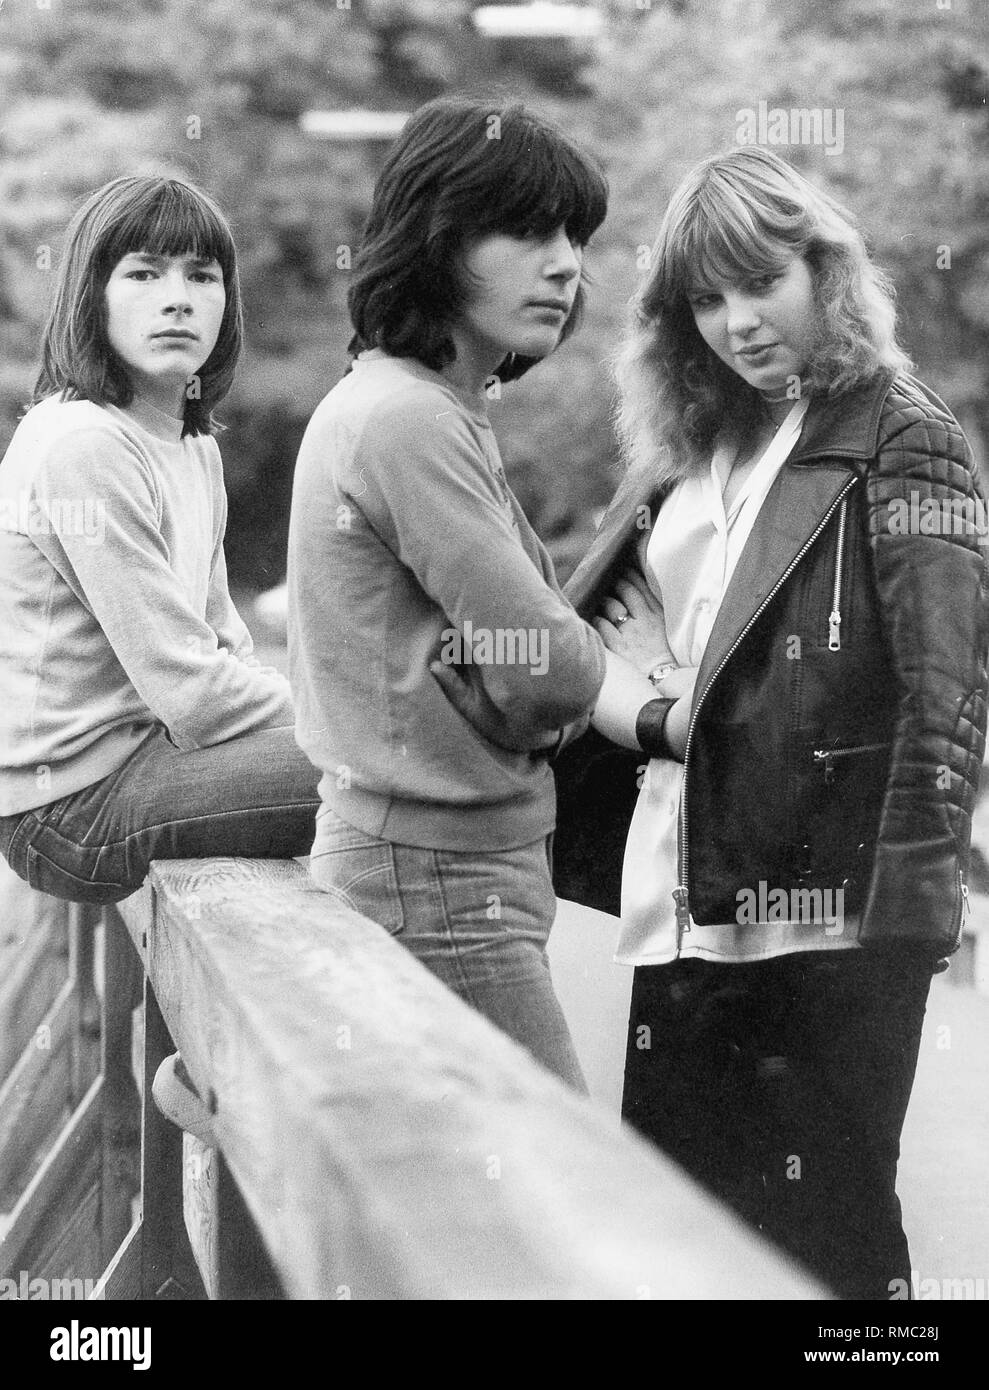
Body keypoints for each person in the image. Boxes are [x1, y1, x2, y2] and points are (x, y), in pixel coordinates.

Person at [548, 146, 989, 1299]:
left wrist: (908, 909)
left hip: (829, 921)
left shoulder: (902, 434)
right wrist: (653, 700)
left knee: (834, 1255)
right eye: (703, 297)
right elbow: (601, 635)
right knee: (683, 1252)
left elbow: (947, 694)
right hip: (682, 903)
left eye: (759, 282)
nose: (735, 321)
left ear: (823, 272)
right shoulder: (691, 449)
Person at [286, 96, 611, 1089]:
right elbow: (553, 670)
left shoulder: (427, 408)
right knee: (555, 1193)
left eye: (572, 235)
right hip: (434, 878)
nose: (562, 262)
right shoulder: (407, 422)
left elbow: (508, 653)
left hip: (439, 866)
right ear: (434, 239)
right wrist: (587, 663)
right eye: (524, 230)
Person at [0, 174, 320, 906]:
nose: (177, 297)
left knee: (408, 760)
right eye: (143, 273)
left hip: (153, 762)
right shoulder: (82, 444)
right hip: (69, 811)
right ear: (92, 295)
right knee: (403, 764)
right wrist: (347, 720)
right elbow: (192, 691)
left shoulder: (189, 443)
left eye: (201, 276)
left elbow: (221, 644)